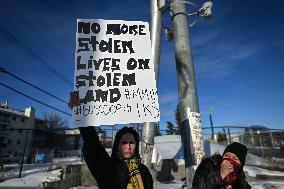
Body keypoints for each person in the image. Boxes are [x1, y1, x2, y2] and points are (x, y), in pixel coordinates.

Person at [69, 92, 153, 189]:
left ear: (136, 145)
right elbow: (92, 142)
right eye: (124, 142)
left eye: (132, 143)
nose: (128, 146)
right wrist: (80, 111)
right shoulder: (107, 167)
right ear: (117, 145)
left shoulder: (143, 170)